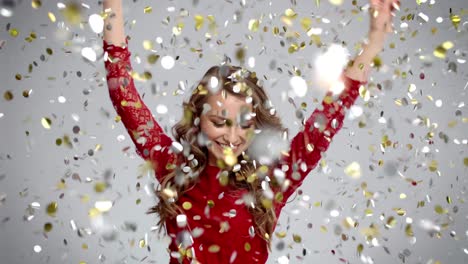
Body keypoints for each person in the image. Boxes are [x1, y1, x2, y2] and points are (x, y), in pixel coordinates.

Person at [102, 0, 398, 263]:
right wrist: (112, 4)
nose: (232, 138)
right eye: (219, 122)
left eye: (244, 125)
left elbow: (326, 120)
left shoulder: (269, 182)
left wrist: (374, 41)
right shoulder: (174, 166)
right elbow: (124, 97)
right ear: (197, 120)